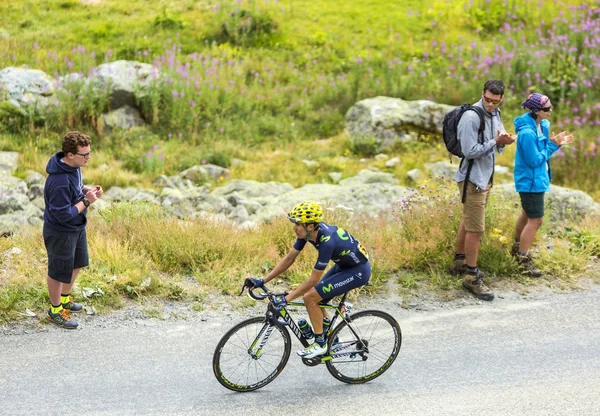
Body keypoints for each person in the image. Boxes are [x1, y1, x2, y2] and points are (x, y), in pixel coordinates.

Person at [246, 200, 371, 359]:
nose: (294, 227)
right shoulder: (307, 233)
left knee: (310, 297)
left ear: (310, 226)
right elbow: (289, 258)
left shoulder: (327, 241)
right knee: (318, 299)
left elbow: (313, 280)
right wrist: (263, 280)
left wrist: (287, 299)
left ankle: (320, 344)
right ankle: (331, 338)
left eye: (297, 224)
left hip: (357, 271)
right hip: (344, 266)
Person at [449, 79, 516, 301]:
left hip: (484, 178)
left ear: (501, 99)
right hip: (472, 179)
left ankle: (460, 261)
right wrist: (495, 141)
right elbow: (469, 151)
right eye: (488, 99)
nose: (491, 104)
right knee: (476, 230)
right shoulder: (471, 117)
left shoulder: (496, 114)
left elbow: (499, 137)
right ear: (482, 94)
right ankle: (471, 277)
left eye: (496, 101)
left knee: (469, 221)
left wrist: (505, 140)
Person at [43, 131, 103, 329]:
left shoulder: (74, 167)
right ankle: (55, 310)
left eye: (89, 153)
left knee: (77, 264)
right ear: (70, 155)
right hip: (60, 230)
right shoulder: (58, 182)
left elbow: (75, 187)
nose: (88, 158)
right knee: (58, 271)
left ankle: (65, 298)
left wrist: (87, 190)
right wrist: (87, 202)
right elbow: (63, 214)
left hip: (76, 226)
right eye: (84, 155)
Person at [512, 93, 573, 276]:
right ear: (536, 111)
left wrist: (554, 142)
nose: (550, 111)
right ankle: (523, 258)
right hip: (531, 182)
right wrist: (554, 145)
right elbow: (534, 160)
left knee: (526, 213)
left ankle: (516, 247)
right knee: (536, 220)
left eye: (550, 107)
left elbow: (543, 152)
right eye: (546, 109)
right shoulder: (527, 134)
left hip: (536, 179)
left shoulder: (542, 126)